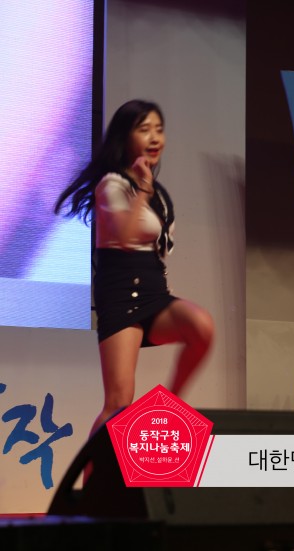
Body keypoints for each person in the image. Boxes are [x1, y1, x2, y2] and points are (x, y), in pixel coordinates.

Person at [54, 100, 213, 439]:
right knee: (118, 404)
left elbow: (160, 247)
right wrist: (141, 190)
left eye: (159, 129)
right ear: (126, 137)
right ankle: (88, 472)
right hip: (120, 297)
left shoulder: (159, 192)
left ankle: (168, 408)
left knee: (201, 326)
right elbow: (126, 237)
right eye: (144, 130)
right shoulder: (111, 185)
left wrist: (147, 189)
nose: (155, 137)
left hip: (154, 294)